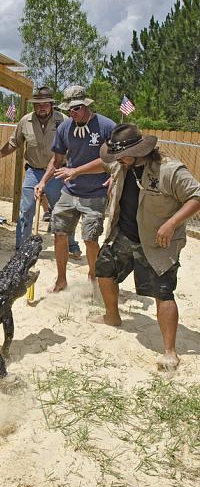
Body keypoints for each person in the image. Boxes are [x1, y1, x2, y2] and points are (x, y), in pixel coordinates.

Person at [64, 123, 200, 371]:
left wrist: (171, 223)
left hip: (158, 242)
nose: (116, 160)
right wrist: (76, 171)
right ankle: (112, 317)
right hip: (124, 234)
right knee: (104, 270)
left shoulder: (169, 170)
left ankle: (170, 351)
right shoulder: (121, 164)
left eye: (120, 155)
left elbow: (196, 196)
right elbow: (103, 164)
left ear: (138, 151)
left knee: (163, 293)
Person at [35, 85, 116, 292]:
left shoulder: (107, 126)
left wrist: (76, 171)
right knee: (59, 233)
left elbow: (110, 160)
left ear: (86, 105)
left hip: (96, 192)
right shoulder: (64, 128)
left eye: (77, 108)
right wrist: (43, 181)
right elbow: (57, 159)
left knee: (90, 239)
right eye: (69, 109)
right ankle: (61, 280)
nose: (73, 113)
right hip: (69, 192)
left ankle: (93, 276)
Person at [0, 86, 81, 255]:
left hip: (58, 172)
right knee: (26, 210)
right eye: (38, 104)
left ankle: (71, 245)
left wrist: (73, 169)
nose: (42, 107)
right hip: (33, 172)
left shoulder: (63, 120)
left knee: (63, 212)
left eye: (45, 103)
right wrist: (0, 154)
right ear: (34, 105)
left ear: (51, 104)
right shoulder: (25, 121)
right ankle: (22, 249)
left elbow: (75, 144)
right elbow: (14, 142)